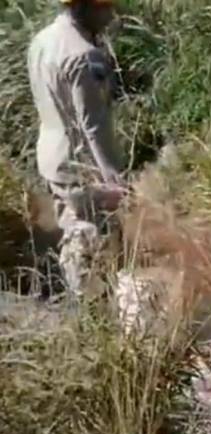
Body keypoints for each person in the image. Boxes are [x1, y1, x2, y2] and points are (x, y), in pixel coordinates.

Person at [28, 0, 125, 298]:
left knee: (71, 226)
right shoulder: (84, 55)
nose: (111, 15)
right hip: (79, 161)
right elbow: (92, 124)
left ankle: (80, 303)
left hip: (51, 154)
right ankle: (91, 311)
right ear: (85, 8)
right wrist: (114, 179)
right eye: (106, 7)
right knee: (89, 236)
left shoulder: (42, 40)